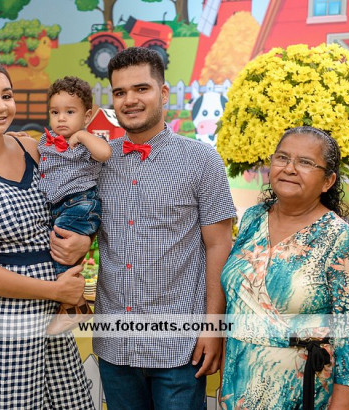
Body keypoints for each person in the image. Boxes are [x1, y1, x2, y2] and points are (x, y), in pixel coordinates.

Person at [0, 56, 94, 409]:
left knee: (73, 403)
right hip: (4, 319)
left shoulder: (32, 147)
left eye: (6, 95)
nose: (0, 106)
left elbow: (76, 199)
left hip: (54, 312)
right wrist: (54, 290)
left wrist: (84, 240)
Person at [95, 46, 235, 409]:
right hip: (114, 345)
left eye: (141, 88)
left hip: (180, 349)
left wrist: (213, 327)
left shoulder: (202, 159)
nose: (130, 100)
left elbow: (220, 245)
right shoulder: (99, 161)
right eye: (120, 92)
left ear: (164, 92)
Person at [220, 126, 349, 410]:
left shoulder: (339, 239)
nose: (289, 168)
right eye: (282, 158)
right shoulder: (253, 219)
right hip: (237, 388)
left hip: (299, 393)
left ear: (328, 181)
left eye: (305, 162)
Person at [38, 76, 111, 334]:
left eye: (70, 112)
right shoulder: (46, 142)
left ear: (87, 116)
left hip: (81, 204)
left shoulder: (85, 143)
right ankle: (73, 305)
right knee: (55, 249)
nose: (61, 119)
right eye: (55, 112)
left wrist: (82, 135)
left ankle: (74, 305)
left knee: (61, 246)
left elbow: (105, 153)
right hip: (58, 207)